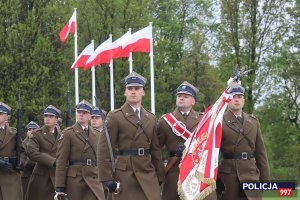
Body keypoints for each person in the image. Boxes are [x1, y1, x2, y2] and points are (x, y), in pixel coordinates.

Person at [97, 71, 164, 200]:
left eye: (137, 89)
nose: (133, 91)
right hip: (125, 173)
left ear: (143, 92)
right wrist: (106, 178)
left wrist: (159, 175)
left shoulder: (150, 118)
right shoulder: (115, 116)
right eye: (130, 88)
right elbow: (104, 148)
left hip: (147, 171)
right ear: (125, 92)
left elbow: (155, 149)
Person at [157, 81, 214, 200]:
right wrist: (160, 171)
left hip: (196, 172)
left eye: (185, 96)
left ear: (193, 101)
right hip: (174, 170)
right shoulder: (165, 121)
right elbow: (156, 149)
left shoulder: (203, 120)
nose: (181, 98)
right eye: (179, 96)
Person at [217, 83, 270, 199]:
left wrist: (266, 179)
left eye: (239, 97)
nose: (236, 100)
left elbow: (261, 153)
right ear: (227, 100)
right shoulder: (219, 121)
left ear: (243, 101)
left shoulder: (253, 122)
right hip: (228, 176)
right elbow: (212, 154)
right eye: (233, 97)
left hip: (251, 175)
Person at [55, 100, 105, 200]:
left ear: (90, 115)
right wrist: (59, 187)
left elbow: (102, 159)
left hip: (94, 177)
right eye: (79, 112)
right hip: (76, 179)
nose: (81, 115)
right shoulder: (68, 133)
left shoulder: (97, 134)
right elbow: (61, 161)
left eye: (84, 113)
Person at [26, 105, 62, 200]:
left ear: (57, 119)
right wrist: (52, 161)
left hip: (57, 177)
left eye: (51, 116)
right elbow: (32, 153)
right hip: (41, 177)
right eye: (46, 116)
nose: (47, 119)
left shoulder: (62, 135)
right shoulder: (37, 133)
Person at [0, 102, 23, 200]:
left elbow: (23, 151)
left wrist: (20, 162)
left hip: (10, 174)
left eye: (1, 114)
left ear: (7, 116)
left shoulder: (14, 133)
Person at [21, 121, 39, 200]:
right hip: (26, 175)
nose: (31, 131)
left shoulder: (40, 142)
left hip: (37, 175)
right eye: (29, 129)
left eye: (34, 129)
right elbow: (25, 160)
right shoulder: (23, 143)